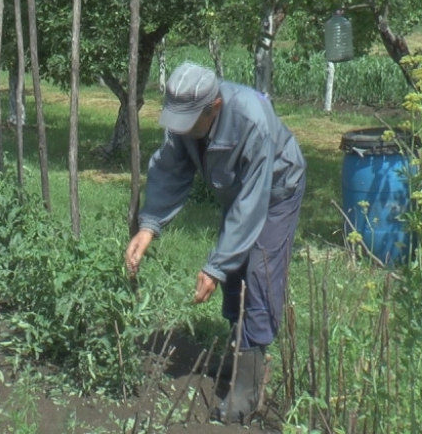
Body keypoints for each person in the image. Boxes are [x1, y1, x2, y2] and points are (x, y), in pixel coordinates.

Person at [125, 61, 306, 425]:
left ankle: (249, 387)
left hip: (274, 191)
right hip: (239, 193)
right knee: (234, 274)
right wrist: (149, 226)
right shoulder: (187, 122)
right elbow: (170, 168)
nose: (182, 128)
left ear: (215, 108)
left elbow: (253, 203)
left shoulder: (252, 119)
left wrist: (215, 265)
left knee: (258, 273)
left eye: (190, 120)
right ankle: (239, 355)